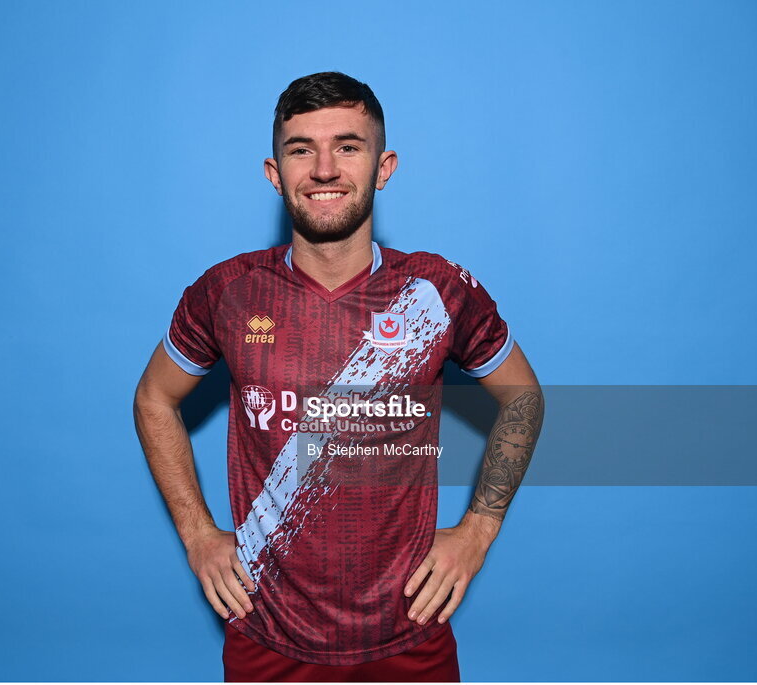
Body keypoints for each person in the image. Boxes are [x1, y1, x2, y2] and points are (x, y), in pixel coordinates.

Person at [133, 71, 543, 682]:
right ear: (276, 174)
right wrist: (197, 534)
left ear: (384, 167)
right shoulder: (225, 291)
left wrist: (478, 532)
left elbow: (524, 398)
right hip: (266, 630)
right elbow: (154, 398)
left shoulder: (436, 291)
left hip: (409, 631)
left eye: (348, 146)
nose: (324, 169)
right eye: (302, 149)